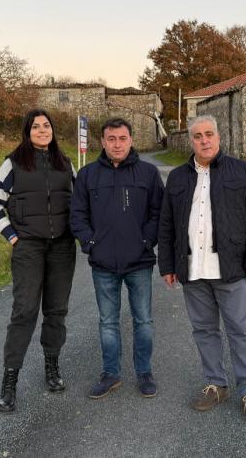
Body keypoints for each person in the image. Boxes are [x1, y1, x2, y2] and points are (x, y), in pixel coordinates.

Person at [157, 114, 246, 423]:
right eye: (197, 136)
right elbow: (166, 224)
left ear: (219, 137)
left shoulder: (242, 171)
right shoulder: (178, 178)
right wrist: (167, 264)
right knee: (204, 330)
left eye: (209, 134)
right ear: (190, 141)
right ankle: (215, 384)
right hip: (192, 269)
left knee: (241, 330)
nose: (204, 140)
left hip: (230, 268)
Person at [0, 109, 76, 413]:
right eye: (35, 126)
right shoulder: (13, 164)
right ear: (27, 131)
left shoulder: (65, 164)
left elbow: (80, 203)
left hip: (62, 248)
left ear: (53, 130)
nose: (41, 130)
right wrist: (12, 236)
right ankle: (9, 382)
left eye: (46, 125)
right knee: (24, 312)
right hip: (29, 248)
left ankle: (52, 367)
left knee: (56, 311)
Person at [70, 117, 164, 399]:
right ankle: (111, 373)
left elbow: (158, 213)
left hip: (139, 262)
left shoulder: (148, 173)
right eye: (111, 139)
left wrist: (147, 242)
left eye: (122, 138)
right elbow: (77, 214)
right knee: (108, 322)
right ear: (103, 142)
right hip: (103, 264)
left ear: (131, 140)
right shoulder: (87, 175)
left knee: (143, 320)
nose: (117, 144)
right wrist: (90, 243)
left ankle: (144, 372)